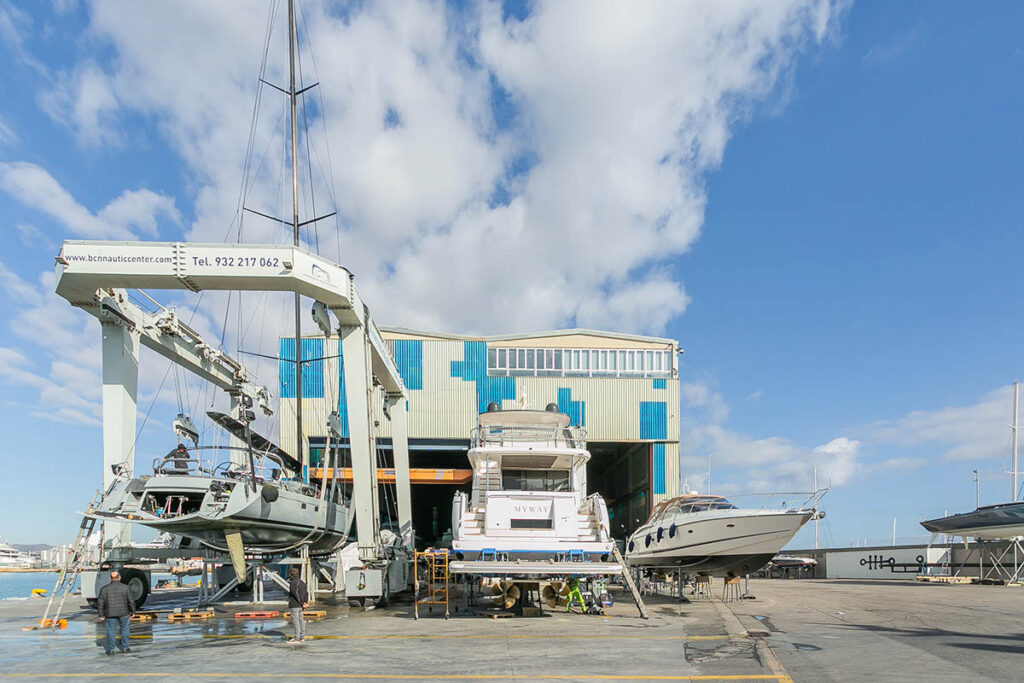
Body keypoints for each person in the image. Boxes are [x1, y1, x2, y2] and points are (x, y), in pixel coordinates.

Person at [97, 570, 135, 655]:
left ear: (110, 578)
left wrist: (101, 614)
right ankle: (126, 648)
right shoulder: (126, 588)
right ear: (119, 578)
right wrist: (132, 612)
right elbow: (131, 601)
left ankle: (110, 649)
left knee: (111, 631)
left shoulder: (104, 589)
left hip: (110, 613)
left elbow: (100, 602)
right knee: (125, 629)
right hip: (124, 612)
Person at [287, 567, 308, 643]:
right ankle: (302, 636)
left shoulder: (293, 583)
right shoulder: (302, 583)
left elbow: (295, 593)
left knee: (295, 621)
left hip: (294, 604)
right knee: (301, 620)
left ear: (291, 575)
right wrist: (305, 602)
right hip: (300, 605)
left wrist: (301, 602)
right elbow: (306, 593)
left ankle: (297, 637)